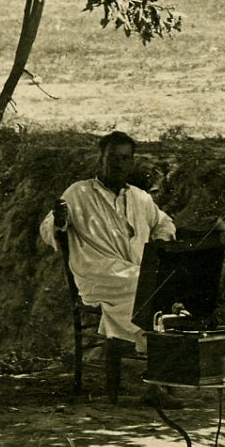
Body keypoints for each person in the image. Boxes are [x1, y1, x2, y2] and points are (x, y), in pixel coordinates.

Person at [40, 130, 176, 401]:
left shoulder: (139, 198)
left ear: (132, 163)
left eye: (125, 158)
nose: (118, 164)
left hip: (132, 272)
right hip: (97, 273)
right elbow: (48, 228)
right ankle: (157, 381)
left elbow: (165, 222)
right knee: (150, 286)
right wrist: (59, 220)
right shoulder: (79, 193)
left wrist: (160, 241)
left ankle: (156, 383)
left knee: (158, 288)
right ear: (100, 159)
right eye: (112, 157)